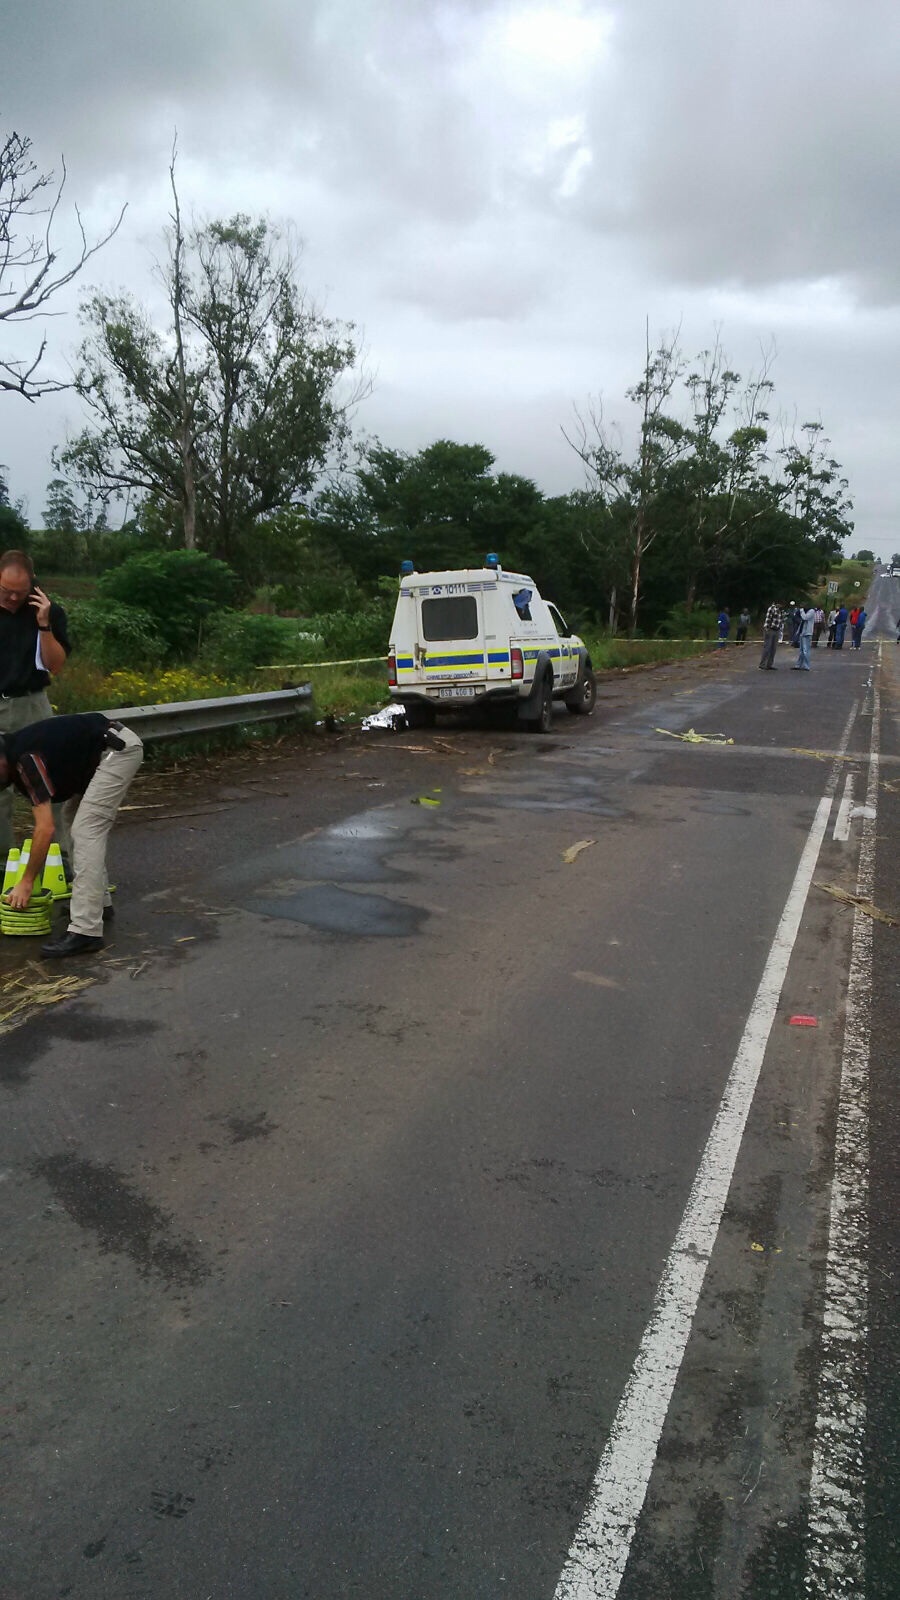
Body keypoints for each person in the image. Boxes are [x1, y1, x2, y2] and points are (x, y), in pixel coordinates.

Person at [0, 712, 143, 957]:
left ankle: (86, 931)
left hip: (117, 751)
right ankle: (97, 903)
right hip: (98, 756)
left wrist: (25, 882)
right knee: (73, 818)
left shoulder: (25, 759)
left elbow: (45, 829)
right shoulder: (16, 756)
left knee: (86, 829)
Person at [0, 549, 72, 859]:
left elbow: (55, 666)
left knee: (47, 786)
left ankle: (59, 863)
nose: (13, 599)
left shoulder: (48, 610)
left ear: (32, 585)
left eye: (20, 592)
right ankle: (5, 863)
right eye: (5, 591)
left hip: (33, 705)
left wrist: (44, 624)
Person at [759, 602, 782, 670]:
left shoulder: (780, 610)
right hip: (770, 630)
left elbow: (780, 621)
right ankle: (762, 664)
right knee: (767, 648)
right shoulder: (772, 609)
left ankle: (769, 664)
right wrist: (767, 629)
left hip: (777, 630)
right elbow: (768, 619)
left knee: (773, 649)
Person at [793, 605, 816, 670]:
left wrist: (802, 611)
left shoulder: (811, 611)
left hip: (807, 633)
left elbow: (805, 618)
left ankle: (807, 666)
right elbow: (800, 621)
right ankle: (798, 665)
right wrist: (798, 632)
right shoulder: (805, 612)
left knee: (806, 650)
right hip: (802, 633)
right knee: (801, 651)